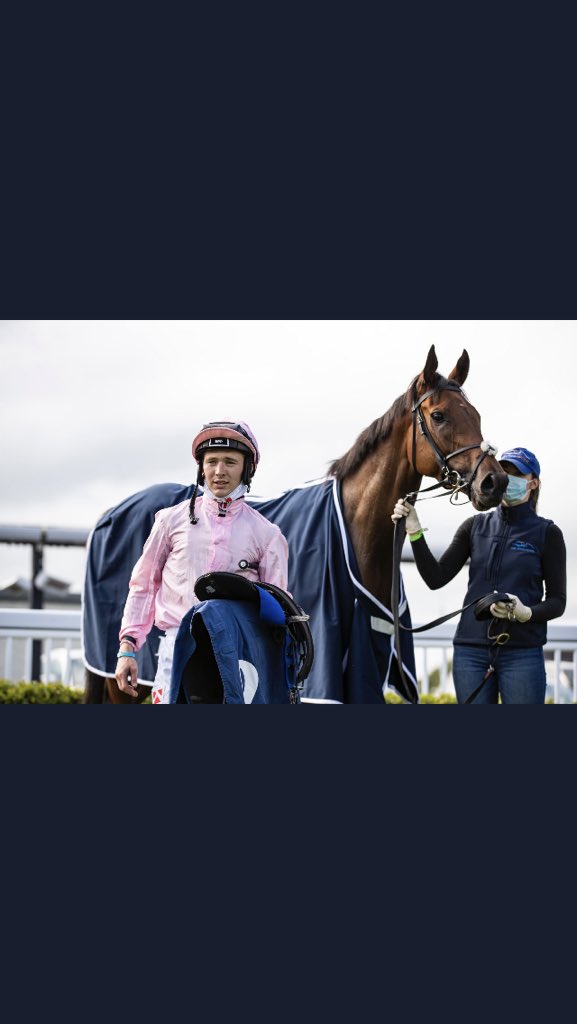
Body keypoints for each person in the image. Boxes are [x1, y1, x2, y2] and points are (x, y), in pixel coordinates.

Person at [115, 421, 289, 703]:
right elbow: (143, 585)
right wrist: (127, 648)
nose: (219, 471)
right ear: (201, 468)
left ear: (247, 469)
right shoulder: (169, 521)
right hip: (175, 651)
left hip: (236, 657)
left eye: (230, 462)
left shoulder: (267, 535)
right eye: (212, 462)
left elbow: (276, 613)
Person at [391, 447, 566, 704]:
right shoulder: (474, 527)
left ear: (534, 483)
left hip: (523, 653)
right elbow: (435, 578)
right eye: (504, 471)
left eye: (518, 473)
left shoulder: (548, 534)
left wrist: (526, 612)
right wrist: (415, 532)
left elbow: (558, 601)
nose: (508, 478)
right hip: (470, 652)